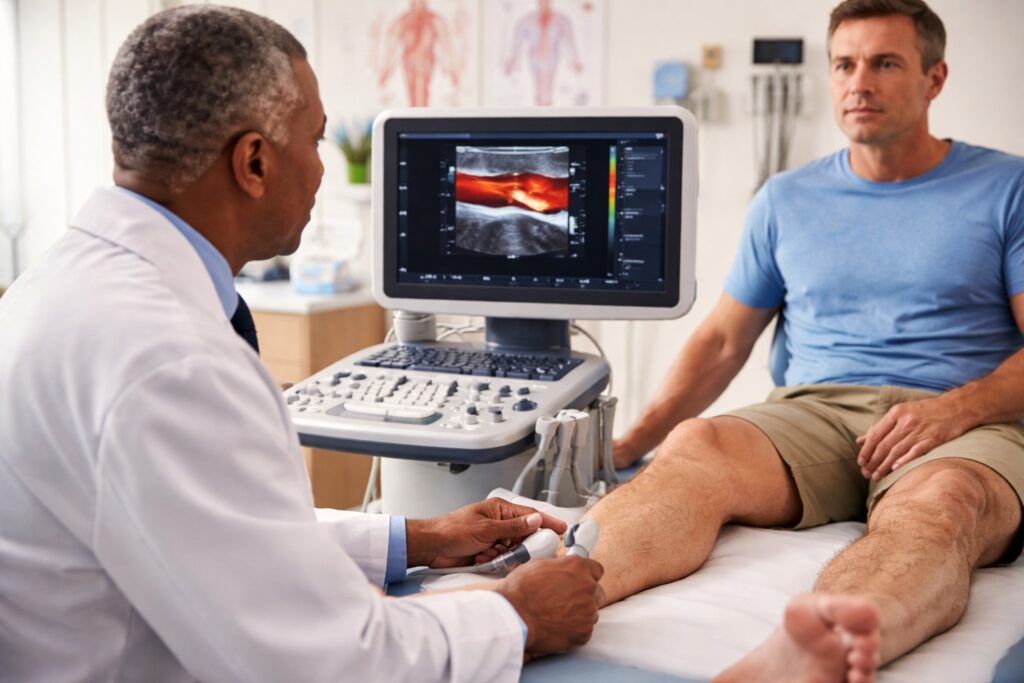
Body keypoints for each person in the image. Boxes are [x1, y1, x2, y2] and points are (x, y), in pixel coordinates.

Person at [0, 7, 603, 683]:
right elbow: (327, 661)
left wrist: (419, 538)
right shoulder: (172, 360)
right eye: (315, 141)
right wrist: (517, 616)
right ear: (254, 161)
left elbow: (216, 528)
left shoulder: (56, 287)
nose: (321, 171)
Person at [584, 1, 1024, 681]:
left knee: (944, 504)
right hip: (813, 413)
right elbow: (725, 341)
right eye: (844, 64)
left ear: (935, 78)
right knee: (696, 443)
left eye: (884, 63)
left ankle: (807, 654)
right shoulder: (785, 199)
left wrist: (953, 410)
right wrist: (631, 443)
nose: (859, 83)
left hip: (958, 420)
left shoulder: (1007, 188)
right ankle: (537, 597)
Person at [378, 0, 458, 107]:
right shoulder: (403, 21)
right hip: (409, 63)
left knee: (422, 92)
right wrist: (386, 70)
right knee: (412, 93)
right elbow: (392, 47)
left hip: (426, 62)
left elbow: (446, 46)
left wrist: (451, 70)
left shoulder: (434, 20)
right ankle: (414, 119)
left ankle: (421, 119)